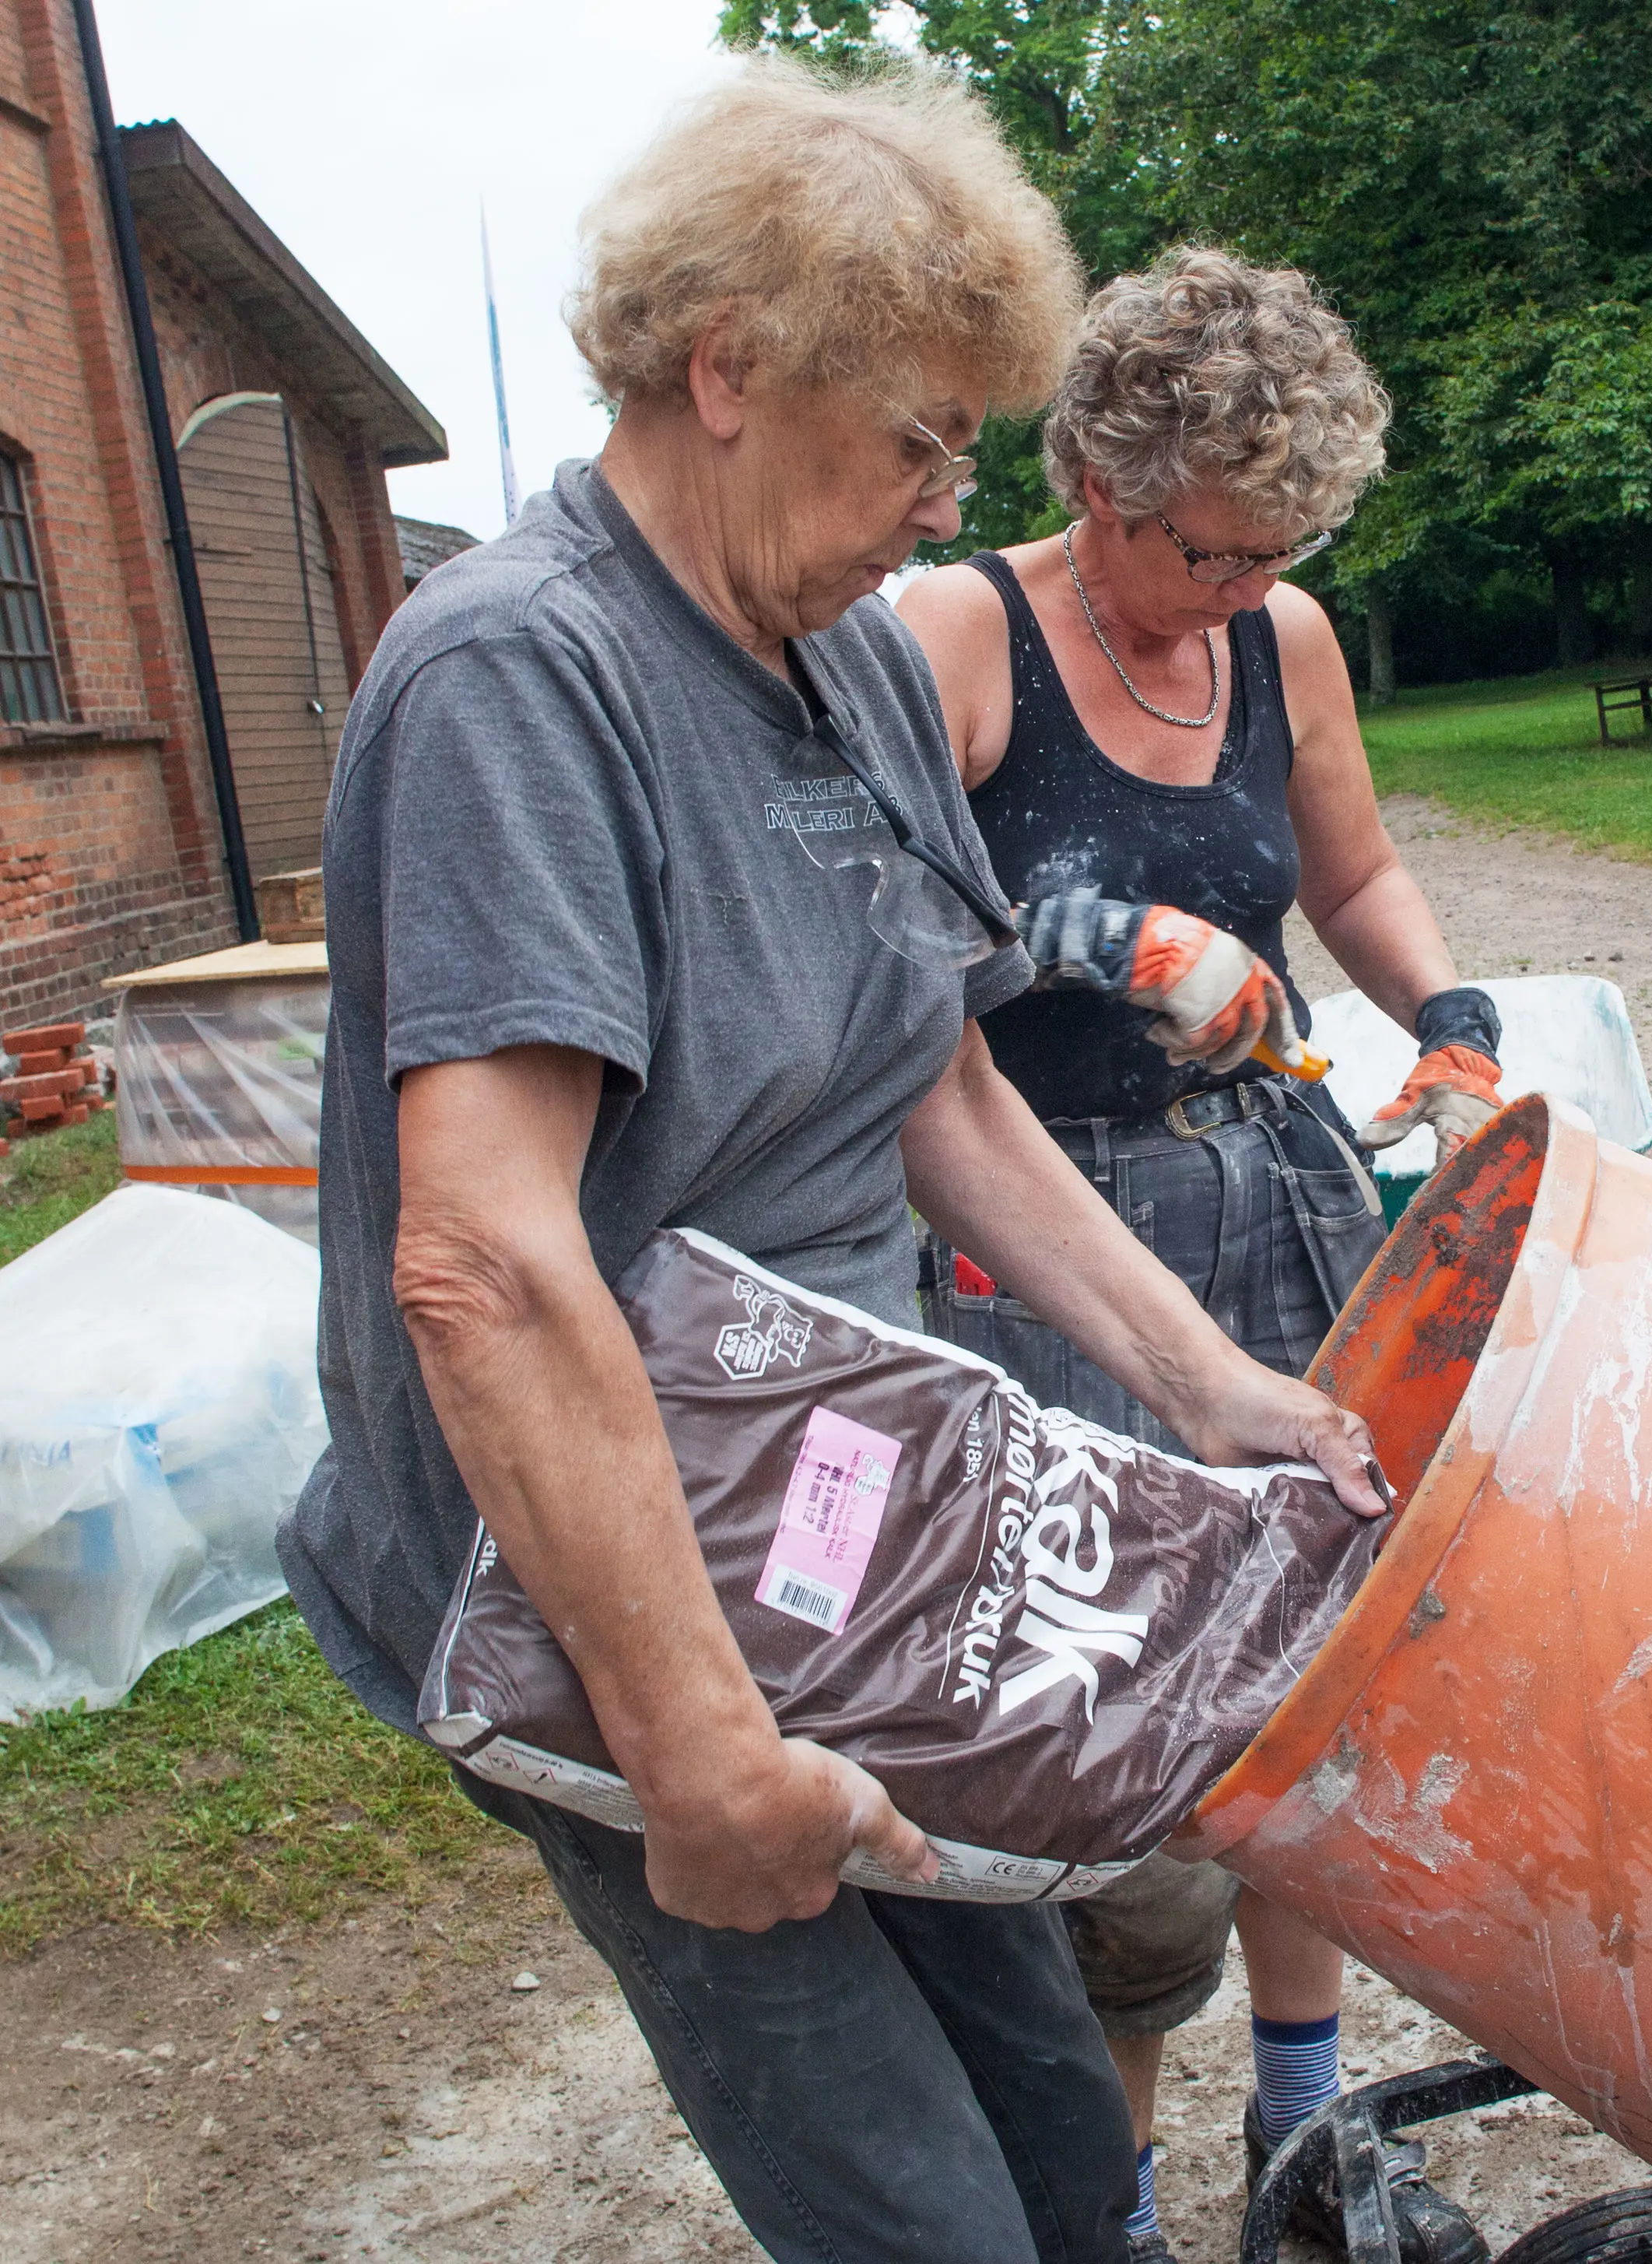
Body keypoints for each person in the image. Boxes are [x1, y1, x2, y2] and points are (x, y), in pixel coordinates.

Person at [275, 67, 1389, 2264]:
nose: (945, 499)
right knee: (918, 2212)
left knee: (1068, 2140)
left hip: (825, 1521)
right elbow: (484, 1265)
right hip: (594, 1589)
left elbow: (937, 1083)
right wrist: (699, 1760)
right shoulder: (522, 675)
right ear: (729, 372)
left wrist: (1208, 1383)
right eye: (917, 439)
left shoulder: (846, 661)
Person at [894, 248, 1502, 2264]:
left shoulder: (1284, 642)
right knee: (1133, 1720)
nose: (1249, 591)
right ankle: (1123, 2199)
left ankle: (1303, 2125)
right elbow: (849, 958)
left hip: (1287, 1199)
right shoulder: (953, 636)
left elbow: (1359, 871)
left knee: (1322, 1647)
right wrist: (1096, 936)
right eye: (1220, 554)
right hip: (1054, 1239)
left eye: (1282, 552)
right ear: (1093, 480)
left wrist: (1453, 1024)